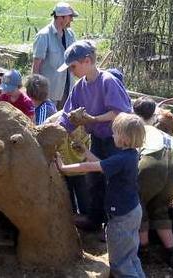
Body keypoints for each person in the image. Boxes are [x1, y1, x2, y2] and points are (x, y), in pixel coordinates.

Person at [56, 113, 146, 278]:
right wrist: (85, 151)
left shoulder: (121, 159)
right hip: (132, 211)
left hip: (121, 217)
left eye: (115, 132)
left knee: (120, 263)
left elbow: (90, 167)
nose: (112, 135)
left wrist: (63, 168)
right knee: (130, 257)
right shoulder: (130, 155)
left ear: (125, 138)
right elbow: (101, 165)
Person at [58, 40, 132, 228]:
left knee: (115, 181)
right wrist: (55, 133)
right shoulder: (79, 87)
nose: (71, 71)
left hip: (117, 140)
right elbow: (66, 117)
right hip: (98, 139)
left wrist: (93, 119)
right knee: (94, 180)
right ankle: (95, 220)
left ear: (87, 61)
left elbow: (120, 112)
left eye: (73, 66)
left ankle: (114, 223)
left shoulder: (108, 81)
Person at [133, 96, 173, 269]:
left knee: (138, 204)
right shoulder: (167, 135)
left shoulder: (139, 129)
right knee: (160, 209)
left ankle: (143, 251)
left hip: (153, 165)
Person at [45, 111, 90, 227]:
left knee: (84, 199)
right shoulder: (57, 121)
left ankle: (86, 222)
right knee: (68, 199)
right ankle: (72, 220)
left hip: (81, 168)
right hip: (64, 169)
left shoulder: (86, 122)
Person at [32, 2, 78, 109]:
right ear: (61, 17)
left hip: (67, 90)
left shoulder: (70, 35)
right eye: (70, 16)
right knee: (47, 122)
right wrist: (35, 92)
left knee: (64, 123)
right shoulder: (44, 36)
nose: (72, 20)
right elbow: (36, 66)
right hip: (49, 93)